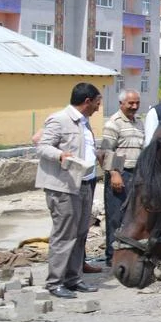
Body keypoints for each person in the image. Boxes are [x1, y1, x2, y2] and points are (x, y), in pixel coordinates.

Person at [34, 82, 103, 299]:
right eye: (97, 103)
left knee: (81, 233)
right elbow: (42, 146)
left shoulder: (85, 123)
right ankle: (55, 282)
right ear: (87, 101)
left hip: (84, 184)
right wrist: (60, 155)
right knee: (64, 235)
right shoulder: (60, 119)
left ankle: (73, 279)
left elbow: (84, 148)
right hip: (63, 188)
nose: (99, 108)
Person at [99, 89, 143, 265]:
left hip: (136, 175)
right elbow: (106, 151)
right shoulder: (113, 123)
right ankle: (112, 256)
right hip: (120, 174)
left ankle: (128, 253)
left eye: (136, 103)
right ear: (121, 104)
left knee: (132, 216)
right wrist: (115, 173)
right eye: (130, 103)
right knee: (116, 217)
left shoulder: (139, 122)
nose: (134, 106)